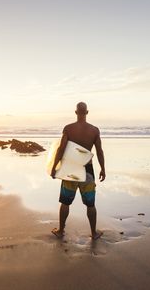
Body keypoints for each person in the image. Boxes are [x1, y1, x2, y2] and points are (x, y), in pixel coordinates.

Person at [50, 102, 106, 240]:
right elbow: (99, 151)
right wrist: (103, 168)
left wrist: (54, 166)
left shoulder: (69, 129)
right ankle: (93, 233)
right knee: (90, 204)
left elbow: (61, 149)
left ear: (76, 112)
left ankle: (61, 230)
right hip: (88, 169)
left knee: (65, 202)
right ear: (87, 112)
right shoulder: (94, 130)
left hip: (71, 168)